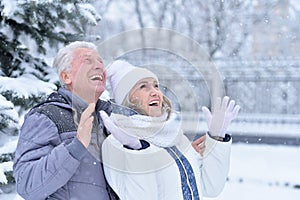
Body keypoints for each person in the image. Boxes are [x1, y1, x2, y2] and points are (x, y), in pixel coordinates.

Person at [100, 60, 240, 200]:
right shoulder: (117, 142)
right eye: (143, 87)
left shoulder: (173, 137)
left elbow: (210, 187)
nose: (155, 92)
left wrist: (217, 138)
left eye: (156, 86)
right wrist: (135, 151)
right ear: (125, 99)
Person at [13, 41, 117, 200]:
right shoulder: (47, 116)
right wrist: (77, 146)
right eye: (87, 61)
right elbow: (26, 184)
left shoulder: (112, 118)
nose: (98, 66)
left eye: (100, 61)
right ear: (66, 76)